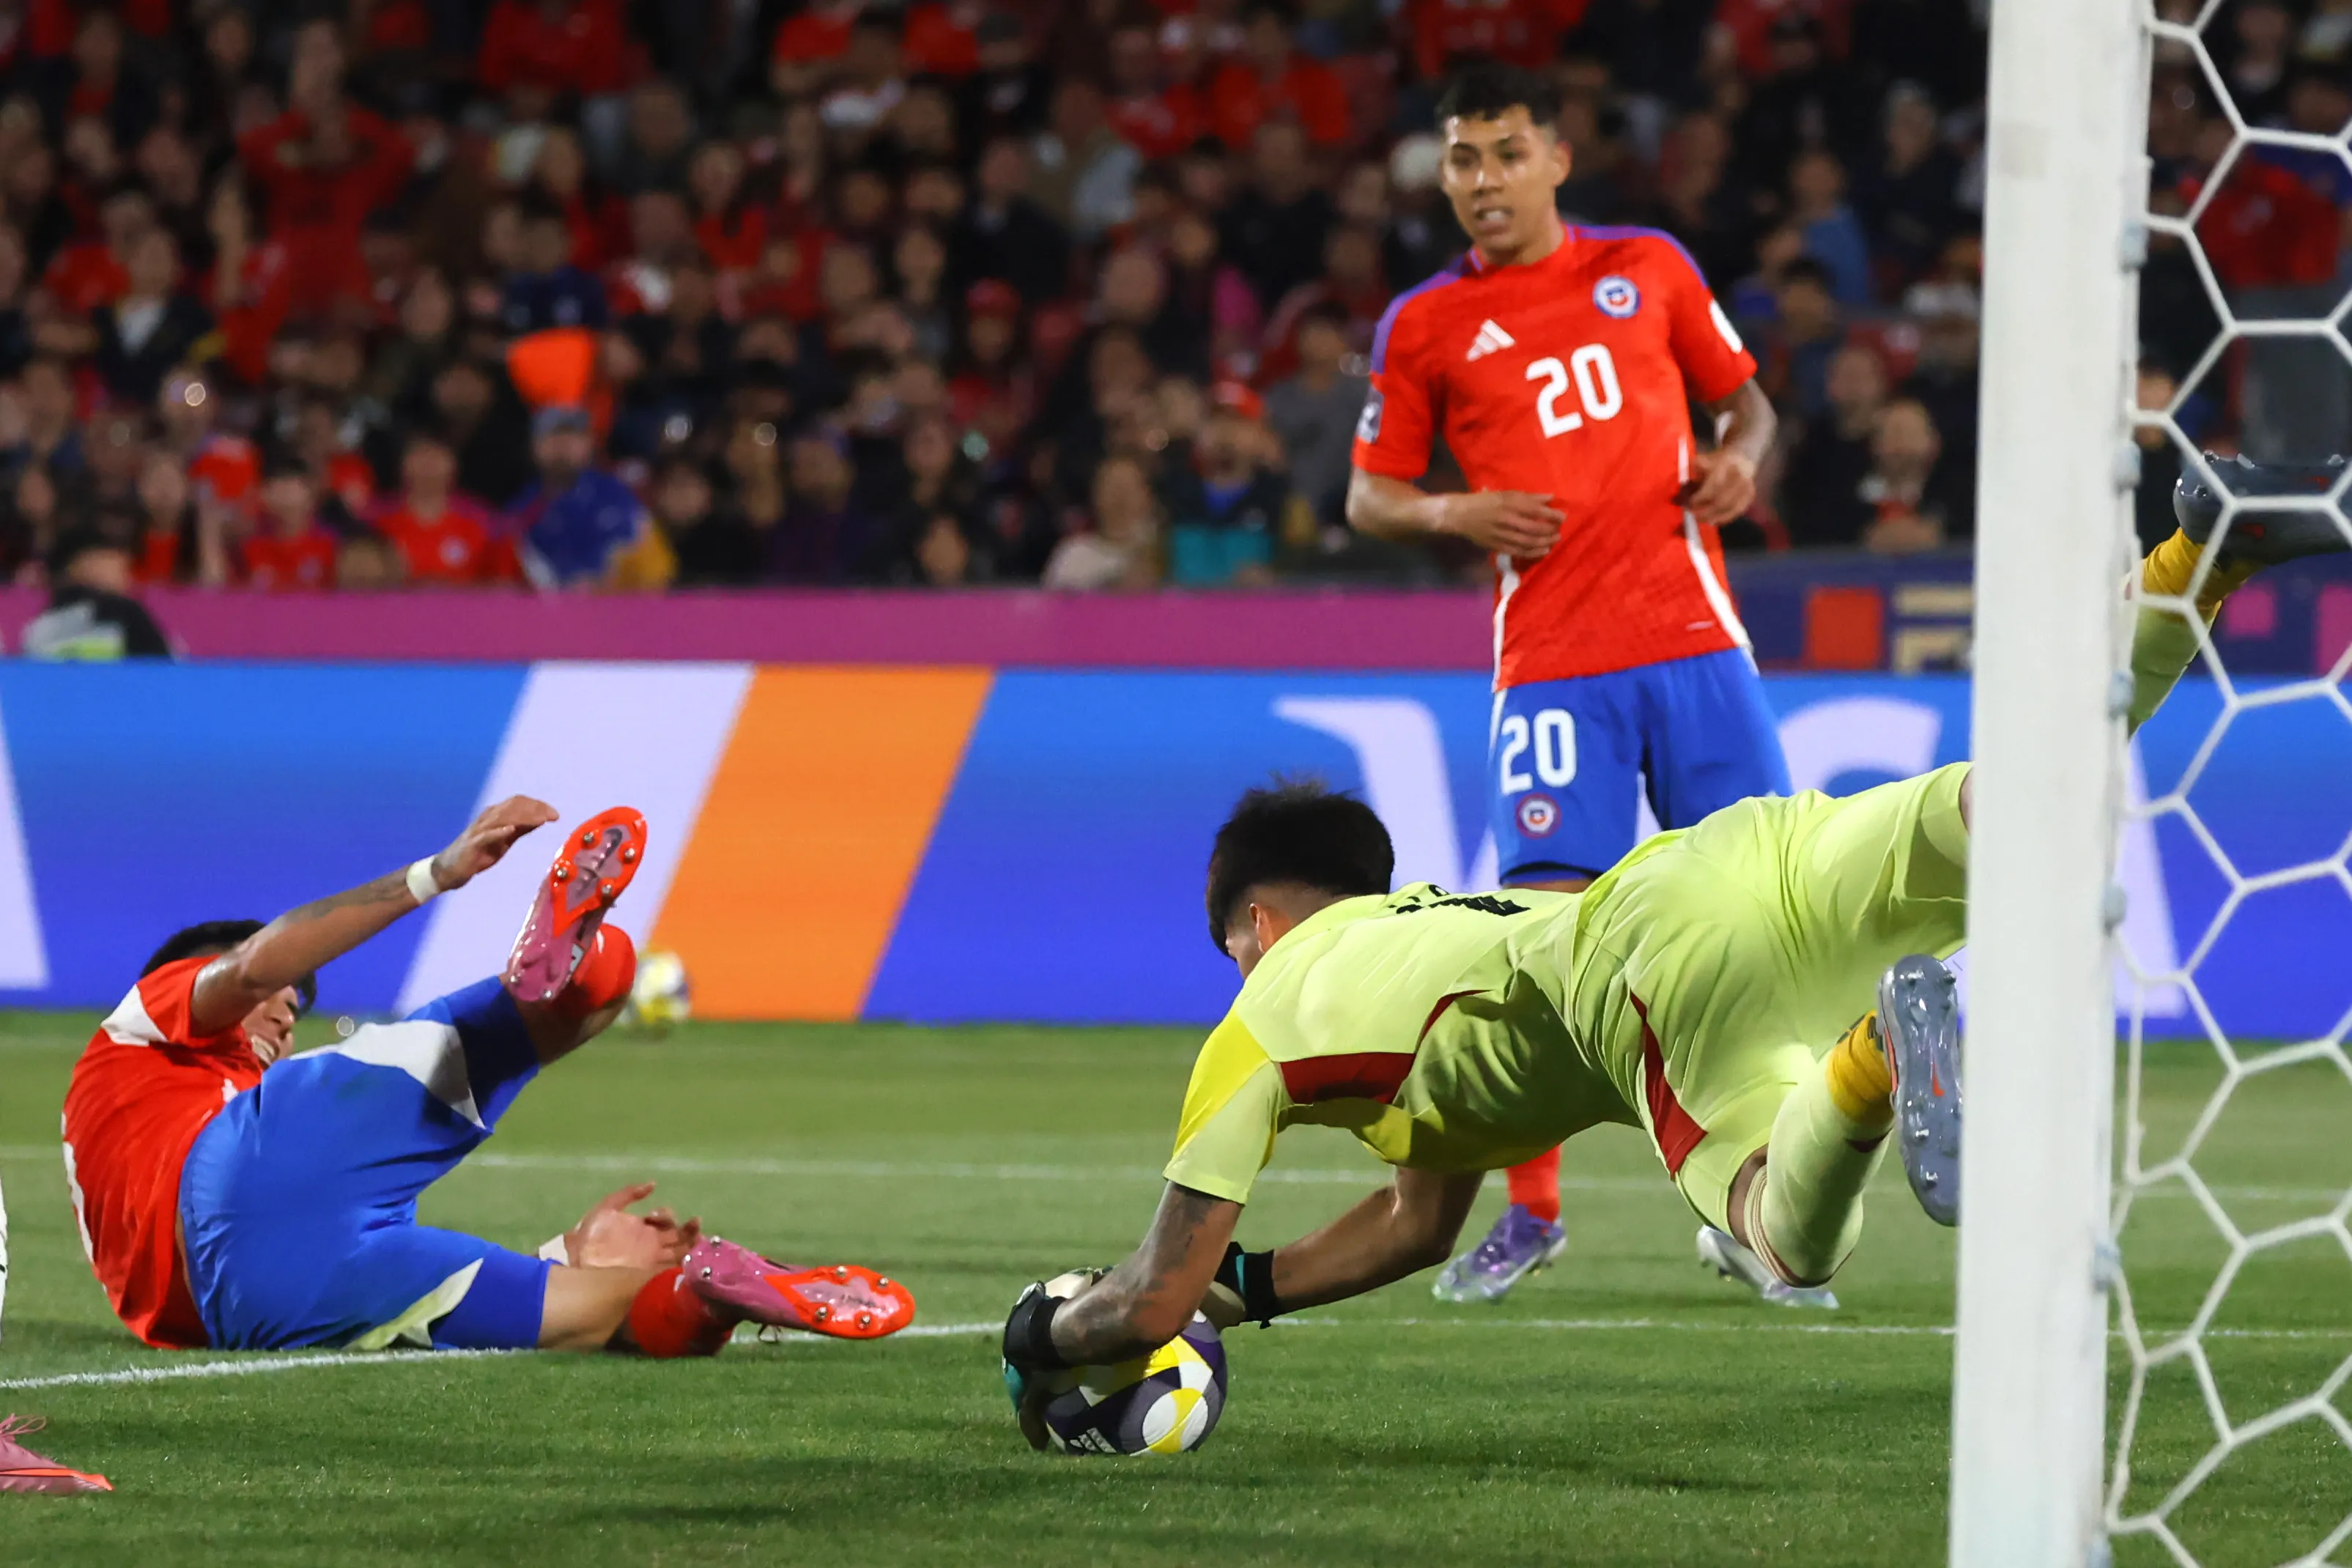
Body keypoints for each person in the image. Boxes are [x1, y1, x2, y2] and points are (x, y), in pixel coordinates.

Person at [1002, 468, 2340, 1427]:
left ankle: (1873, 1060)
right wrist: (1249, 1296)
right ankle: (2197, 557)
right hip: (1737, 853)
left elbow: (1145, 1300)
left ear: (1257, 921)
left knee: (1784, 1235)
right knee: (2027, 792)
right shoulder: (1441, 937)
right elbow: (1420, 1221)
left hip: (1648, 973)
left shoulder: (1264, 1015)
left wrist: (1044, 1333)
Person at [1342, 64, 1791, 1303]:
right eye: (1461, 160)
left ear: (1555, 158)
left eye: (1503, 152)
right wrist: (1452, 507)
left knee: (1757, 932)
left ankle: (1755, 1213)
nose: (1481, 181)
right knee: (1541, 953)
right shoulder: (1424, 324)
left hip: (1694, 641)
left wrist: (1742, 465)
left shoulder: (1647, 266)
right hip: (1549, 671)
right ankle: (1532, 1214)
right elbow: (1366, 494)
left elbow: (1745, 405)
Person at [61, 797, 917, 1357]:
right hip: (243, 1193)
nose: (287, 1011)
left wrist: (561, 1252)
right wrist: (436, 872)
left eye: (297, 999)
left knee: (608, 1311)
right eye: (283, 999)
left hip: (257, 1301)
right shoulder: (141, 1026)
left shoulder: (131, 1108)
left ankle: (712, 1293)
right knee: (558, 1009)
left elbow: (304, 1213)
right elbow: (250, 966)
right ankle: (568, 973)